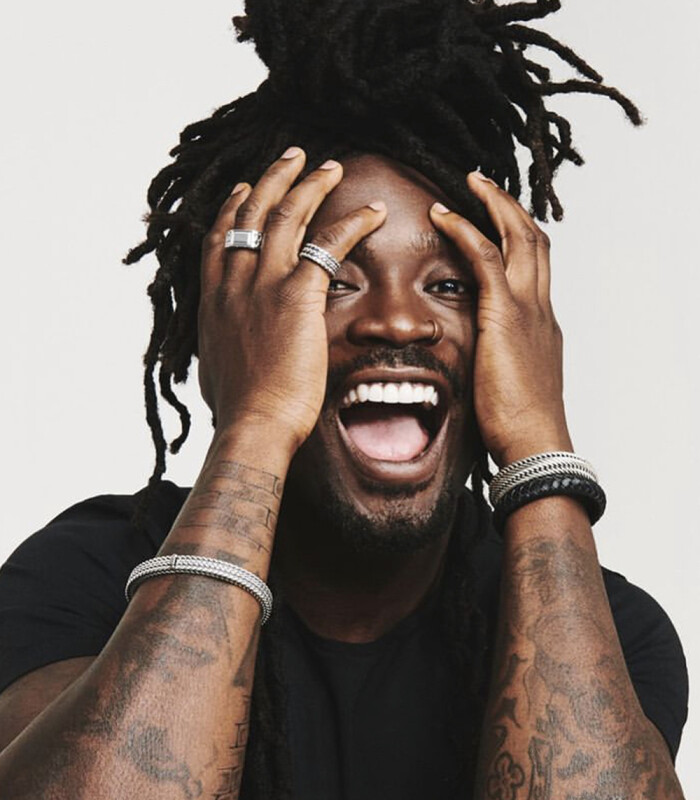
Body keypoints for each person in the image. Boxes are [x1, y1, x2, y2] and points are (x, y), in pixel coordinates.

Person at [0, 0, 688, 798]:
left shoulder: (600, 624)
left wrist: (538, 444)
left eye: (449, 286)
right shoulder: (84, 576)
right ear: (235, 328)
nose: (398, 319)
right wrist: (256, 426)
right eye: (331, 279)